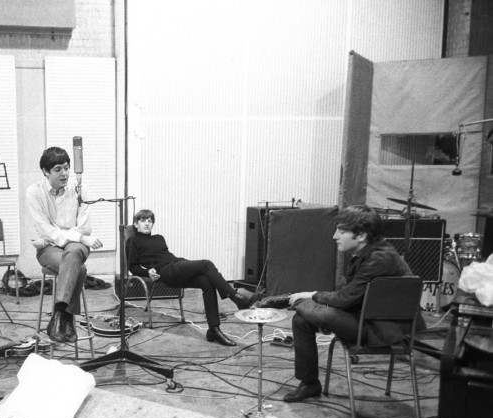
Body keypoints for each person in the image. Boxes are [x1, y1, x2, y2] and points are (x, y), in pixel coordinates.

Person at [276, 204, 424, 402]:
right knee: (302, 321)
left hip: (381, 330)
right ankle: (309, 384)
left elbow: (344, 299)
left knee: (323, 314)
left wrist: (311, 295)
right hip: (368, 318)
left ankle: (292, 301)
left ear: (361, 235)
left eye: (342, 231)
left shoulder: (378, 258)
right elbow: (350, 294)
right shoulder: (371, 252)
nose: (335, 236)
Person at [126, 209, 259, 346]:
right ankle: (235, 297)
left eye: (150, 221)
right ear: (136, 224)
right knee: (207, 264)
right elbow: (132, 267)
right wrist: (147, 271)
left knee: (207, 281)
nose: (147, 224)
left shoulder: (159, 238)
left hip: (176, 265)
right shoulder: (132, 241)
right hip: (165, 272)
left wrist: (187, 265)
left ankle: (214, 329)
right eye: (143, 221)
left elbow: (169, 256)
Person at [26, 146, 103, 343]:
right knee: (78, 268)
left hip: (75, 247)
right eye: (58, 169)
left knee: (74, 253)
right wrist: (79, 238)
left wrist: (78, 238)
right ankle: (67, 319)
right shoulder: (34, 192)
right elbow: (46, 230)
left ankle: (58, 313)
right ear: (45, 171)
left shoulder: (81, 189)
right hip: (49, 249)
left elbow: (84, 228)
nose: (65, 173)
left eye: (67, 167)